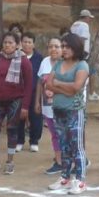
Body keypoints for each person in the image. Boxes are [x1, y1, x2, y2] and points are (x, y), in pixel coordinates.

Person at [0, 32, 33, 175]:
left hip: (15, 101)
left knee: (12, 130)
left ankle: (10, 161)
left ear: (17, 45)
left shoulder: (23, 61)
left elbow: (29, 85)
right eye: (5, 42)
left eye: (11, 43)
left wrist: (25, 106)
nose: (7, 45)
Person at [46, 34, 90, 194]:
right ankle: (65, 177)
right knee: (64, 146)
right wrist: (63, 87)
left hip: (74, 111)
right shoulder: (58, 64)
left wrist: (58, 84)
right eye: (62, 46)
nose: (63, 49)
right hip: (58, 110)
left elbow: (76, 88)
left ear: (75, 48)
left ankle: (80, 180)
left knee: (76, 146)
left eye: (67, 46)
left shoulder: (82, 65)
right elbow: (49, 84)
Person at [37, 37, 64, 174]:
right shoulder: (44, 62)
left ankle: (73, 159)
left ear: (62, 48)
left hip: (64, 106)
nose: (53, 49)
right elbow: (39, 83)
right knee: (54, 134)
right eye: (51, 46)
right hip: (47, 107)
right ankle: (59, 162)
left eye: (57, 46)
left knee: (66, 134)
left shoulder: (67, 63)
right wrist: (37, 102)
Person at [16, 32, 44, 153]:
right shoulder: (16, 56)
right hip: (18, 92)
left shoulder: (39, 58)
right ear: (21, 43)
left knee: (36, 117)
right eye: (25, 42)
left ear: (33, 44)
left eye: (29, 42)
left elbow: (41, 76)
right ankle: (19, 141)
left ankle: (34, 141)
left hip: (34, 92)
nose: (27, 44)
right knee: (18, 117)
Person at [70, 9, 99, 102]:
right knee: (91, 71)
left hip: (73, 53)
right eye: (90, 18)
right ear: (86, 17)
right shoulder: (84, 25)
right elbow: (82, 39)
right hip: (83, 54)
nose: (90, 20)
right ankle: (91, 93)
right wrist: (82, 52)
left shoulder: (74, 25)